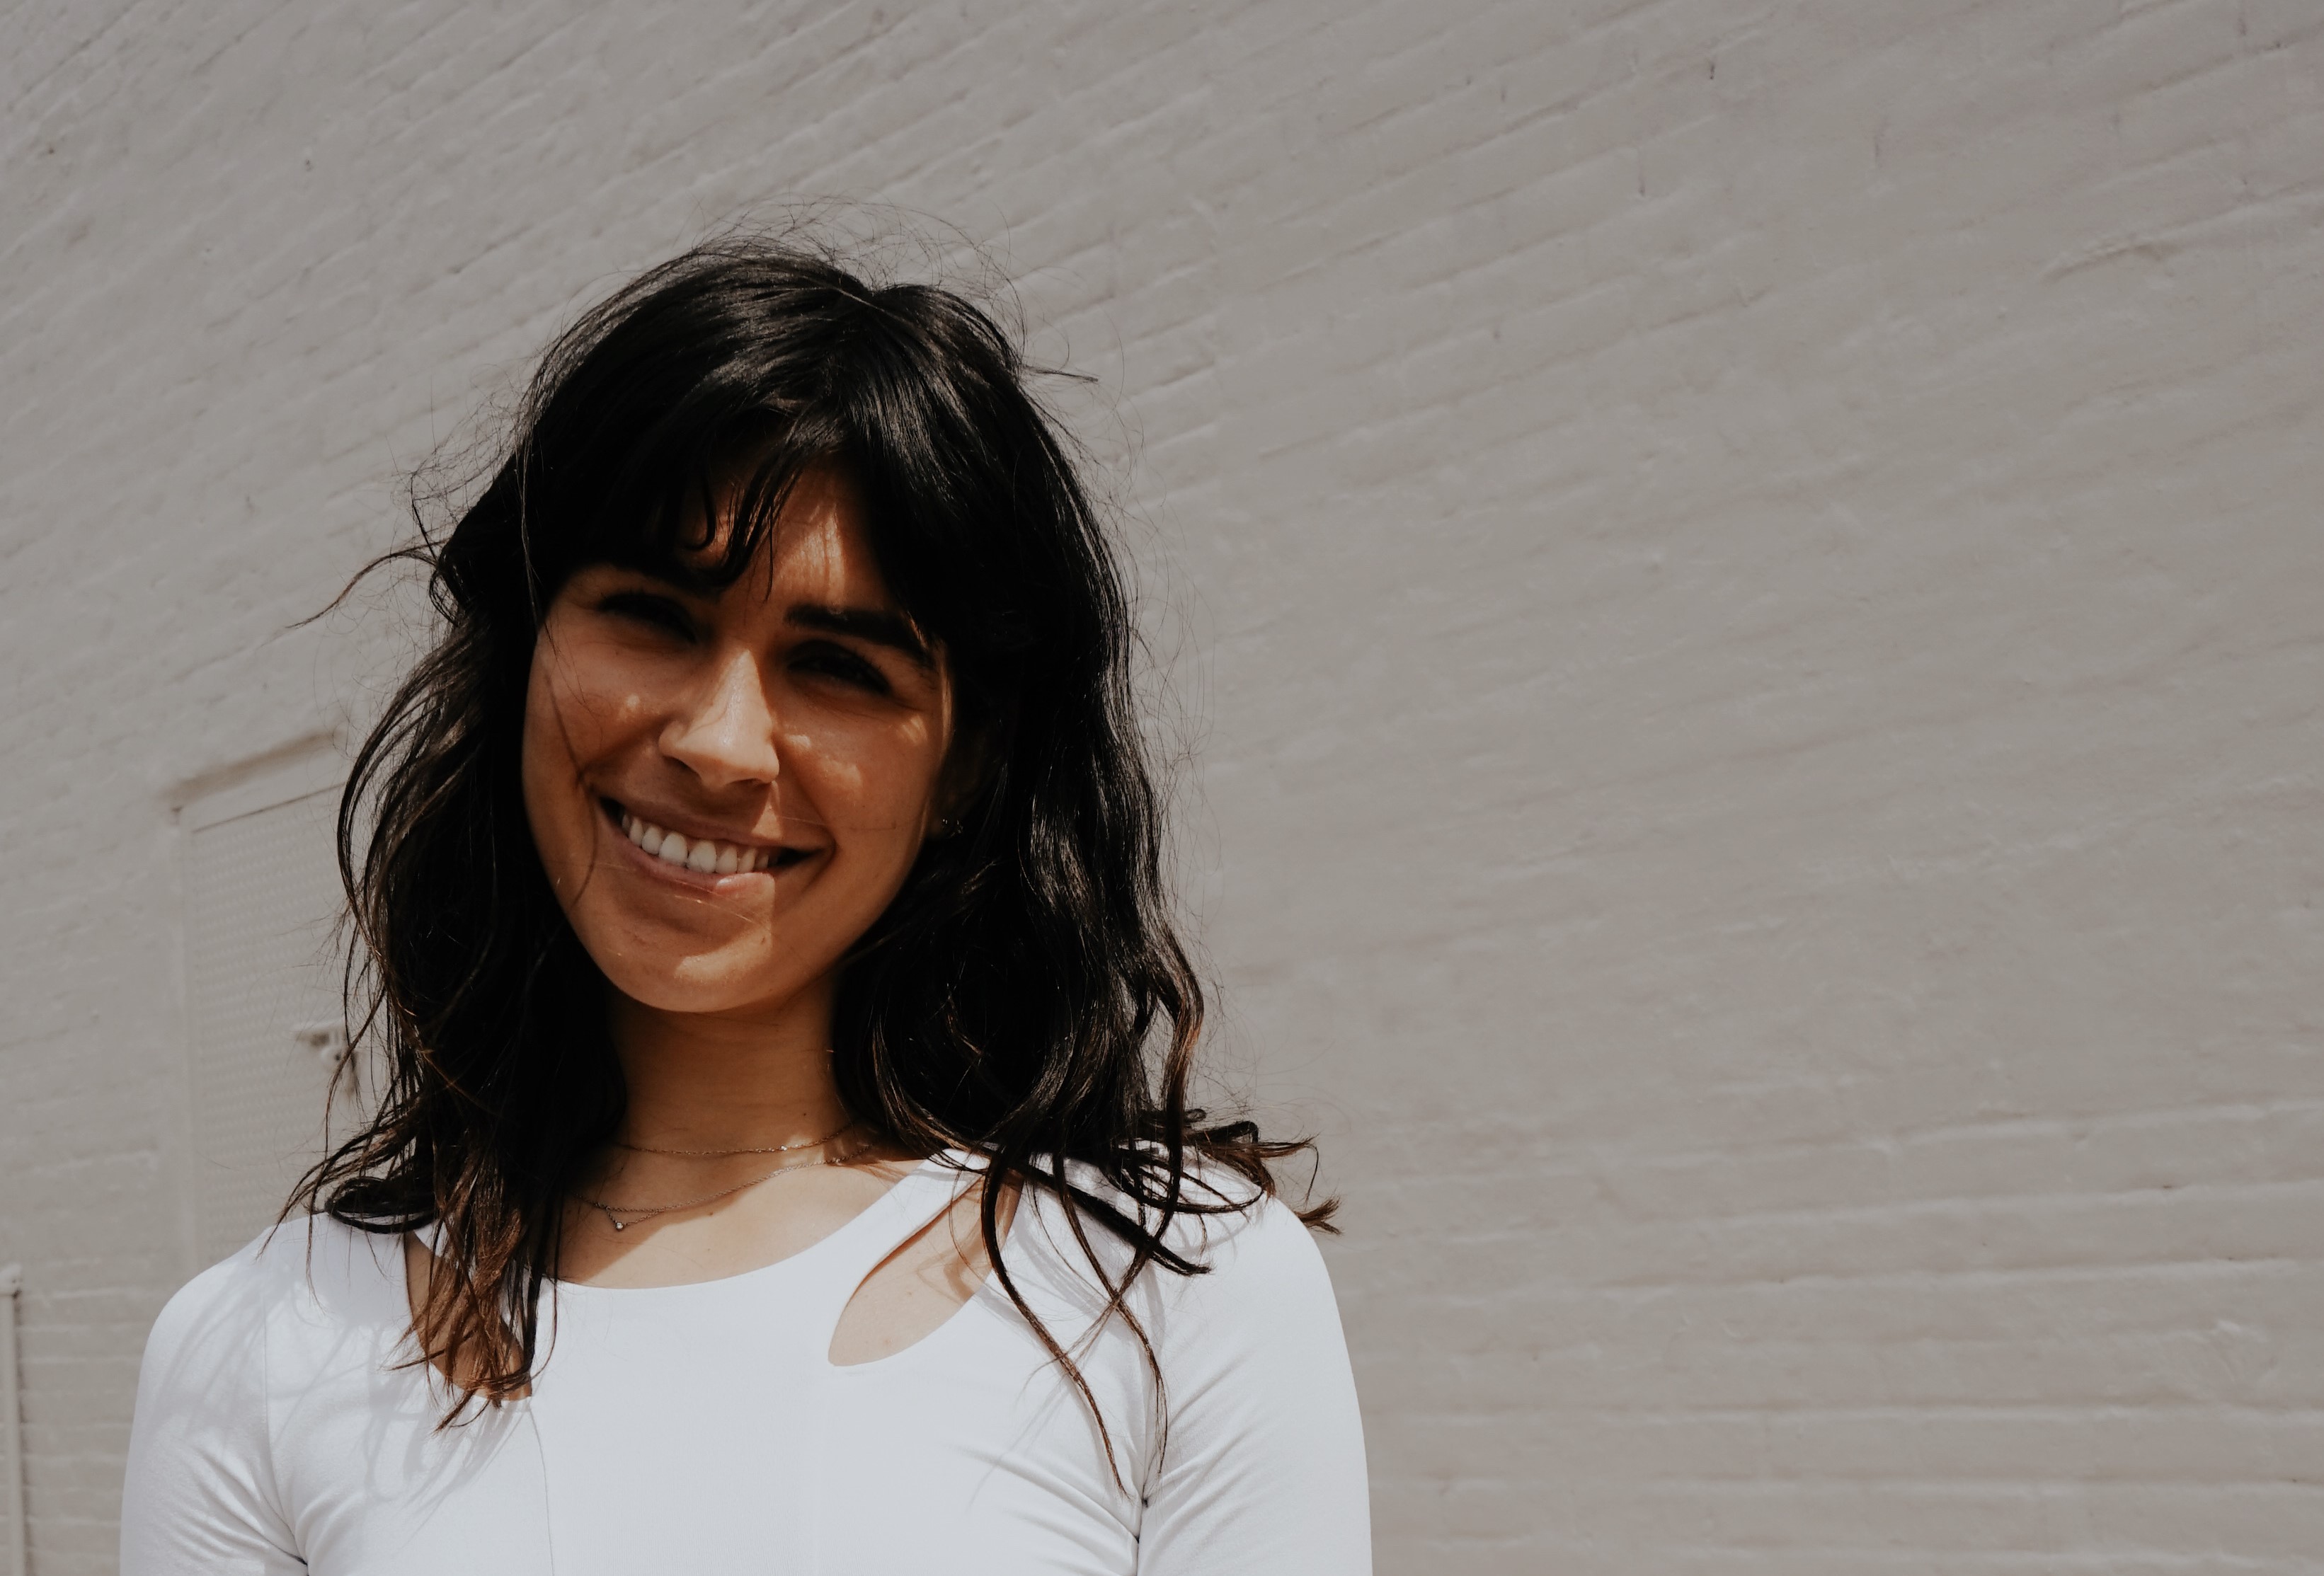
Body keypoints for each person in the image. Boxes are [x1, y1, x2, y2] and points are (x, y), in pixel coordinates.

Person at [118, 239, 1370, 1573]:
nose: (721, 744)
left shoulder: (1167, 1294)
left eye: (836, 667)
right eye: (653, 616)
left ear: (968, 767)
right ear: (522, 650)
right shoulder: (259, 1346)